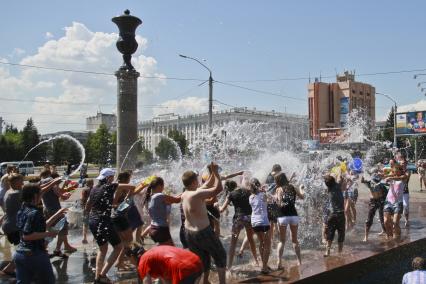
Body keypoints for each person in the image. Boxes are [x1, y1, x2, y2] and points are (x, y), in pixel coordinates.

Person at [85, 168, 134, 284]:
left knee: (102, 249)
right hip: (103, 221)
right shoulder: (110, 186)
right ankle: (102, 275)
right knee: (118, 247)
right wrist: (127, 198)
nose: (113, 179)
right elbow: (131, 187)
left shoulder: (93, 189)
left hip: (93, 220)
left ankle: (98, 277)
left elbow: (87, 205)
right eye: (112, 177)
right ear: (108, 178)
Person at [181, 164, 227, 284]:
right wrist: (216, 172)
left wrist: (211, 171)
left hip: (189, 233)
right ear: (192, 182)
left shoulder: (185, 194)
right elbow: (218, 189)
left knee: (203, 259)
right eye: (196, 180)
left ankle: (205, 281)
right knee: (220, 255)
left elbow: (207, 184)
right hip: (203, 232)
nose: (199, 181)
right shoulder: (196, 194)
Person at [13, 183, 68, 284]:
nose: (42, 196)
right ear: (35, 196)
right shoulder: (35, 212)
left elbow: (39, 227)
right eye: (40, 194)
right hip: (35, 254)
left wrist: (57, 214)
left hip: (19, 255)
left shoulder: (22, 209)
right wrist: (48, 234)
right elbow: (27, 236)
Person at [219, 180, 259, 269]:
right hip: (249, 217)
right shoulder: (247, 191)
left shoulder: (231, 194)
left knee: (233, 243)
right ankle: (256, 261)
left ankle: (229, 267)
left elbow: (222, 209)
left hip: (238, 219)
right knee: (251, 239)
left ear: (228, 188)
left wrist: (216, 206)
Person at [40, 170, 76, 258]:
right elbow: (62, 196)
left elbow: (58, 192)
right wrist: (68, 194)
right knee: (62, 229)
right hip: (55, 210)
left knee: (51, 230)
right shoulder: (51, 181)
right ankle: (57, 250)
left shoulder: (42, 182)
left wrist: (66, 188)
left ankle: (44, 248)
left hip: (46, 209)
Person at [128, 245, 203, 284]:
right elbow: (167, 280)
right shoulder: (153, 253)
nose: (129, 262)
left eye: (128, 259)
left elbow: (146, 282)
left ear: (131, 256)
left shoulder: (143, 261)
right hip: (197, 262)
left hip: (184, 270)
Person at [275, 172, 304, 268]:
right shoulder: (293, 187)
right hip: (293, 215)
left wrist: (274, 199)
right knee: (295, 240)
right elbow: (302, 196)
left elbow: (279, 203)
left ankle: (279, 262)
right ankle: (299, 262)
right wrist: (301, 188)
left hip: (283, 216)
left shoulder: (279, 189)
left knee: (282, 241)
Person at [0, 173, 24, 277]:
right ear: (14, 182)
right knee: (25, 248)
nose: (23, 183)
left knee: (22, 247)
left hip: (9, 225)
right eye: (20, 181)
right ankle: (9, 269)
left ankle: (18, 267)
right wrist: (53, 182)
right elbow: (37, 191)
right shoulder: (17, 193)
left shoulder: (8, 192)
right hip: (14, 226)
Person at [146, 177, 181, 246]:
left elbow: (173, 201)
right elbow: (177, 200)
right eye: (163, 185)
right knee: (171, 251)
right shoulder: (159, 196)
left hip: (153, 228)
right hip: (161, 229)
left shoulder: (151, 197)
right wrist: (187, 191)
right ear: (160, 185)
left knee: (165, 250)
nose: (163, 188)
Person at [249, 178, 271, 274]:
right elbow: (271, 200)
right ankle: (265, 267)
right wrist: (264, 191)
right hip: (264, 222)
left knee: (261, 243)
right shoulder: (263, 195)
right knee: (267, 245)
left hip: (254, 223)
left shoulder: (251, 197)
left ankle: (264, 264)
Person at [323, 172, 346, 257]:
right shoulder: (337, 186)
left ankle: (327, 251)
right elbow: (341, 178)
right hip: (340, 214)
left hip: (332, 215)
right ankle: (340, 252)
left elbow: (334, 180)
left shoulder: (329, 188)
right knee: (341, 233)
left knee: (330, 233)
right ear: (334, 181)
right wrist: (340, 170)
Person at [383, 163, 406, 239]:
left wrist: (390, 177)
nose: (395, 173)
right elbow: (385, 176)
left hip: (398, 202)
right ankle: (390, 236)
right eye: (394, 171)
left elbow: (398, 178)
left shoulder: (403, 177)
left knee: (395, 222)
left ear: (400, 171)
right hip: (388, 202)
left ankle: (398, 237)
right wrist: (386, 177)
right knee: (386, 221)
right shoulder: (391, 177)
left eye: (397, 171)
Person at [81, 179, 94, 244]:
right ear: (92, 183)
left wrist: (83, 206)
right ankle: (94, 238)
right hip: (93, 209)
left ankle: (84, 238)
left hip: (86, 209)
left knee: (85, 224)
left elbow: (83, 199)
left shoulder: (84, 190)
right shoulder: (94, 189)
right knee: (94, 224)